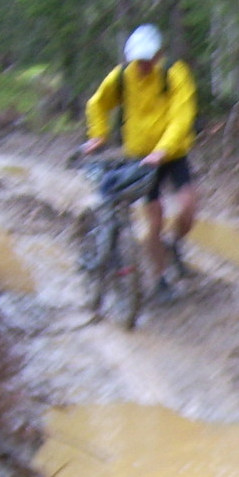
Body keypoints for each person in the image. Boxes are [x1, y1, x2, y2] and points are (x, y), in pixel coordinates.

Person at [82, 23, 199, 303]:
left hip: (173, 153)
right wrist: (98, 135)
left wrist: (164, 149)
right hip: (140, 159)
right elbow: (96, 104)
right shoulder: (122, 77)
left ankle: (174, 245)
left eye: (149, 59)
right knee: (154, 218)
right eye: (139, 60)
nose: (144, 65)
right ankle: (160, 281)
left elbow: (183, 115)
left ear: (159, 54)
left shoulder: (175, 73)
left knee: (188, 207)